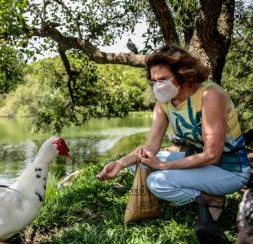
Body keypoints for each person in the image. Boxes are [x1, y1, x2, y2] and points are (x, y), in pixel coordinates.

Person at [97, 45, 251, 220]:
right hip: (202, 163)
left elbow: (212, 155)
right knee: (137, 163)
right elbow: (150, 146)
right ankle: (205, 193)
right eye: (154, 81)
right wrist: (120, 163)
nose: (158, 86)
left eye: (163, 79)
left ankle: (213, 199)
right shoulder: (165, 101)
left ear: (182, 74)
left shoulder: (210, 94)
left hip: (229, 169)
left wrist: (163, 167)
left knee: (156, 182)